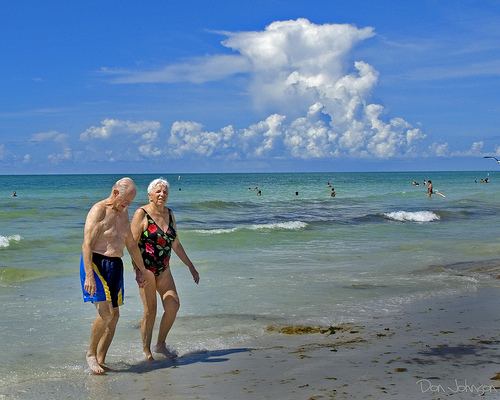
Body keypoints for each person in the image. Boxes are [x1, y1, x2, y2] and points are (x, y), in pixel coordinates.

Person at [80, 177, 147, 375]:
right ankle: (90, 354)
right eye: (126, 200)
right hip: (96, 263)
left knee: (115, 316)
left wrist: (141, 270)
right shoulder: (98, 210)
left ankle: (100, 359)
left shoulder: (123, 212)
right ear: (116, 192)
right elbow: (87, 245)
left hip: (115, 264)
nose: (128, 205)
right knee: (106, 313)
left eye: (131, 201)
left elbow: (131, 244)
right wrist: (89, 276)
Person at [131, 178, 200, 361]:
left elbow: (175, 244)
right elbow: (132, 244)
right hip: (146, 270)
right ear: (150, 195)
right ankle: (146, 351)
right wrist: (137, 270)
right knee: (150, 311)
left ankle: (160, 344)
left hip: (164, 269)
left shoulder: (170, 214)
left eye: (165, 192)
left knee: (173, 304)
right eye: (158, 191)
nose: (162, 194)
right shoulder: (142, 213)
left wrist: (190, 266)